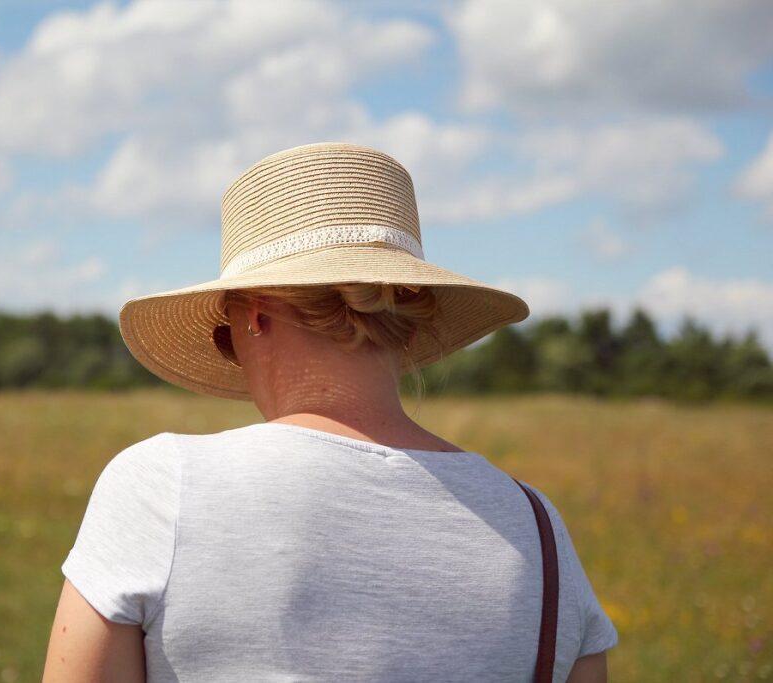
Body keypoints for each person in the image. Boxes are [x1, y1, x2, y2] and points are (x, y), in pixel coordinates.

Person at [41, 142, 618, 683]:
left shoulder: (163, 487)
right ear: (407, 321)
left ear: (256, 315)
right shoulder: (538, 529)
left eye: (224, 332)